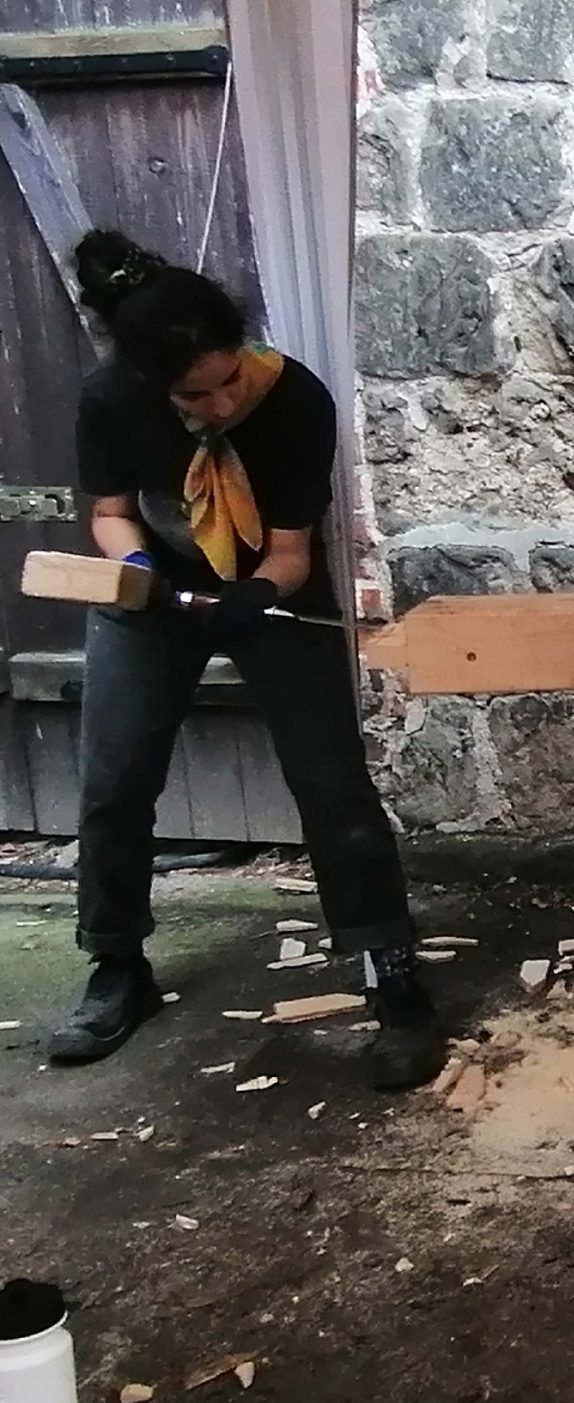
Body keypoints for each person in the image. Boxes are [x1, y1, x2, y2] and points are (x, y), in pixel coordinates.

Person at [46, 229, 443, 1091]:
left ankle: (391, 973)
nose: (223, 401)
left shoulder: (293, 399)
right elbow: (111, 513)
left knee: (332, 783)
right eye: (197, 393)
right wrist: (141, 572)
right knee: (115, 780)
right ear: (152, 383)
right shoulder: (112, 399)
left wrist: (258, 591)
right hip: (153, 595)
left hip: (268, 586)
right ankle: (117, 965)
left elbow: (292, 550)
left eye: (230, 377)